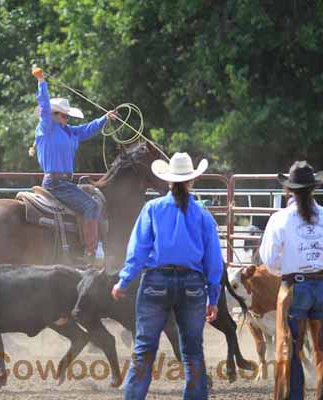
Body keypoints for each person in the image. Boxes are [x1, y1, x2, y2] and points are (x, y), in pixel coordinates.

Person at [111, 152, 223, 399]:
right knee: (193, 350)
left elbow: (138, 249)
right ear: (192, 181)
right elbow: (214, 260)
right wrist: (213, 297)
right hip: (192, 285)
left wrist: (124, 280)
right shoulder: (203, 215)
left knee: (144, 349)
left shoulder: (153, 208)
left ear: (168, 181)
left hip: (155, 283)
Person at [32, 66, 117, 262]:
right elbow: (44, 106)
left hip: (64, 183)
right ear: (53, 115)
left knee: (91, 203)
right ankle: (91, 252)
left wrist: (105, 118)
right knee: (91, 206)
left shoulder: (69, 131)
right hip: (56, 183)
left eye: (66, 115)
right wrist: (41, 82)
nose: (65, 118)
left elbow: (87, 129)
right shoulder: (46, 127)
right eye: (62, 115)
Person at [259, 161, 323, 400]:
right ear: (313, 189)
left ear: (289, 190)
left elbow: (269, 259)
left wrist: (284, 271)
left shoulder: (280, 219)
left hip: (294, 288)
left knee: (290, 350)